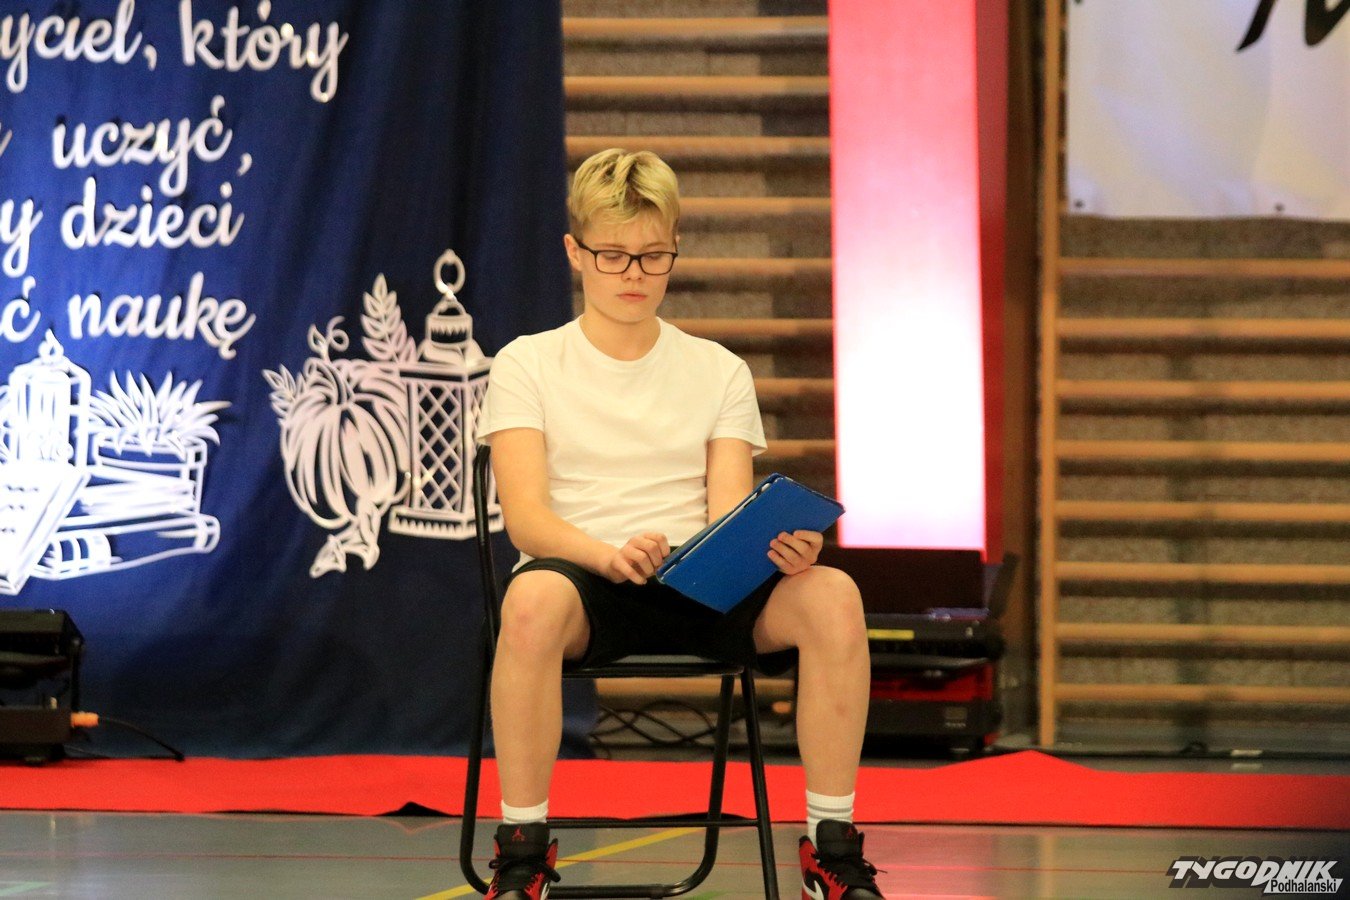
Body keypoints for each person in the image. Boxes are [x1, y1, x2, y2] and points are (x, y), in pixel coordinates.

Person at [476, 148, 884, 900]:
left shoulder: (718, 369)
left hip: (701, 584)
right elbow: (527, 520)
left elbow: (729, 513)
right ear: (575, 252)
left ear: (674, 252)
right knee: (527, 600)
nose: (633, 273)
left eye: (653, 255)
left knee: (833, 593)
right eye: (613, 254)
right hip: (582, 583)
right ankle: (523, 851)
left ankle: (832, 848)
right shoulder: (526, 363)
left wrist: (779, 548)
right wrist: (607, 555)